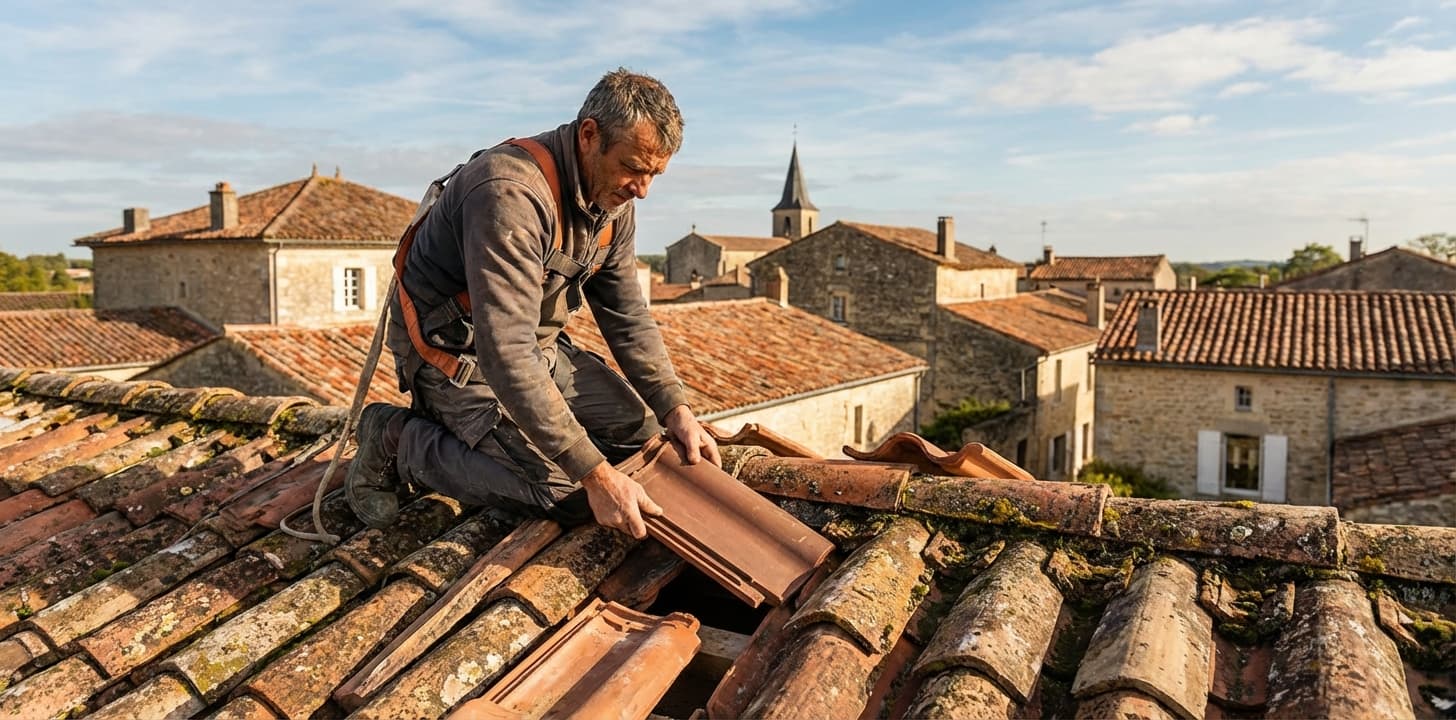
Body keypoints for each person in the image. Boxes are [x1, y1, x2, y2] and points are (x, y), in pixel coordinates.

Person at [346, 68, 719, 540]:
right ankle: (397, 440)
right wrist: (595, 476)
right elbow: (506, 351)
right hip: (455, 356)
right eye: (633, 168)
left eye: (654, 175)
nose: (641, 189)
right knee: (571, 493)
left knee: (645, 441)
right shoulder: (509, 193)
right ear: (589, 135)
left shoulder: (611, 204)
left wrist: (675, 409)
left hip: (536, 349)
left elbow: (627, 314)